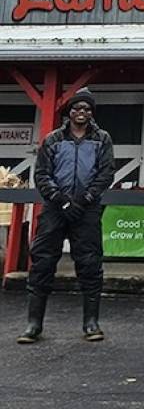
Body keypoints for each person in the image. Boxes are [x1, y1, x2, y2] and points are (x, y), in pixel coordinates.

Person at [17, 88, 114, 344]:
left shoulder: (102, 139)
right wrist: (61, 201)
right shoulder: (53, 139)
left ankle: (91, 323)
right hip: (54, 208)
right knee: (43, 262)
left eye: (86, 109)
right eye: (76, 108)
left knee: (90, 263)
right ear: (69, 112)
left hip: (87, 209)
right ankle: (33, 324)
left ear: (92, 113)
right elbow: (41, 174)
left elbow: (106, 174)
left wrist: (83, 200)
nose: (81, 113)